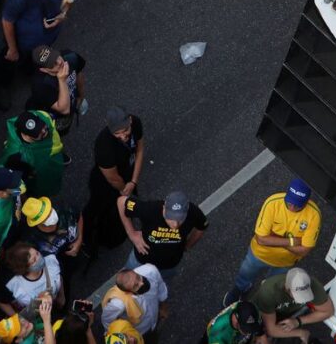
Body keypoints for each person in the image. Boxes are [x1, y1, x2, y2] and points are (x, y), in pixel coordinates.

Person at [0, 0, 77, 109]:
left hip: (47, 38)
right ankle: (1, 85)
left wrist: (63, 14)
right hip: (21, 41)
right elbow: (7, 21)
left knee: (34, 62)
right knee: (8, 62)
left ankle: (29, 69)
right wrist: (12, 49)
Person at [223, 179, 321, 306]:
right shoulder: (272, 203)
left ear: (307, 202)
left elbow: (305, 250)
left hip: (284, 262)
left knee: (269, 286)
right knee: (245, 274)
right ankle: (240, 289)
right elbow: (261, 239)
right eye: (290, 202)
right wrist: (291, 241)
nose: (292, 207)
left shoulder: (314, 215)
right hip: (259, 254)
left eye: (297, 205)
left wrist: (274, 238)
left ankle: (257, 303)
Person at [85, 107, 145, 251]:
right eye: (117, 133)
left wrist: (134, 181)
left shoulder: (135, 123)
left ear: (130, 120)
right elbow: (112, 179)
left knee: (117, 210)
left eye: (125, 131)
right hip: (105, 182)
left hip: (124, 174)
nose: (123, 136)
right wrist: (125, 190)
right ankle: (87, 238)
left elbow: (140, 150)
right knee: (97, 209)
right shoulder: (103, 145)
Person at [117, 191, 209, 279]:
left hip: (168, 266)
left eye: (180, 219)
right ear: (164, 207)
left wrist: (188, 245)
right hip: (141, 261)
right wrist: (132, 234)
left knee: (157, 288)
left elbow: (202, 225)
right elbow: (121, 202)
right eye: (171, 217)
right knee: (126, 284)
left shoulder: (193, 212)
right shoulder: (149, 209)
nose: (175, 224)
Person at [250, 268, 334, 344]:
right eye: (298, 295)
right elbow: (271, 330)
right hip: (258, 315)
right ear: (287, 288)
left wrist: (298, 321)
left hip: (279, 314)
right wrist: (301, 333)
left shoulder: (312, 285)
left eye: (306, 294)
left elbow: (328, 311)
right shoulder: (270, 291)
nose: (303, 300)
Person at [1, 110, 65, 197]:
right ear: (26, 135)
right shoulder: (18, 157)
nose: (43, 131)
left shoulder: (42, 118)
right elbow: (15, 183)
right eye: (36, 133)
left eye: (41, 126)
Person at [0, 242, 65, 321]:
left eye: (37, 253)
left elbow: (58, 277)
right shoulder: (13, 284)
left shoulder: (51, 260)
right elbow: (2, 302)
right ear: (24, 268)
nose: (39, 258)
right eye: (34, 260)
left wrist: (61, 297)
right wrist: (19, 319)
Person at [27, 46, 86, 135]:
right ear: (43, 69)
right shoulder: (40, 85)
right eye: (52, 64)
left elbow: (78, 74)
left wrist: (81, 96)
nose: (60, 62)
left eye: (56, 56)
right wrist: (62, 80)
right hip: (54, 116)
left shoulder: (70, 56)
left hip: (71, 103)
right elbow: (64, 109)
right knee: (56, 133)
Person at [100, 265, 168, 336]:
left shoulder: (150, 270)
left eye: (138, 277)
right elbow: (107, 321)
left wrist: (163, 307)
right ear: (128, 292)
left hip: (155, 318)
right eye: (135, 286)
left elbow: (161, 288)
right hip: (140, 332)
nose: (141, 283)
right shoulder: (118, 304)